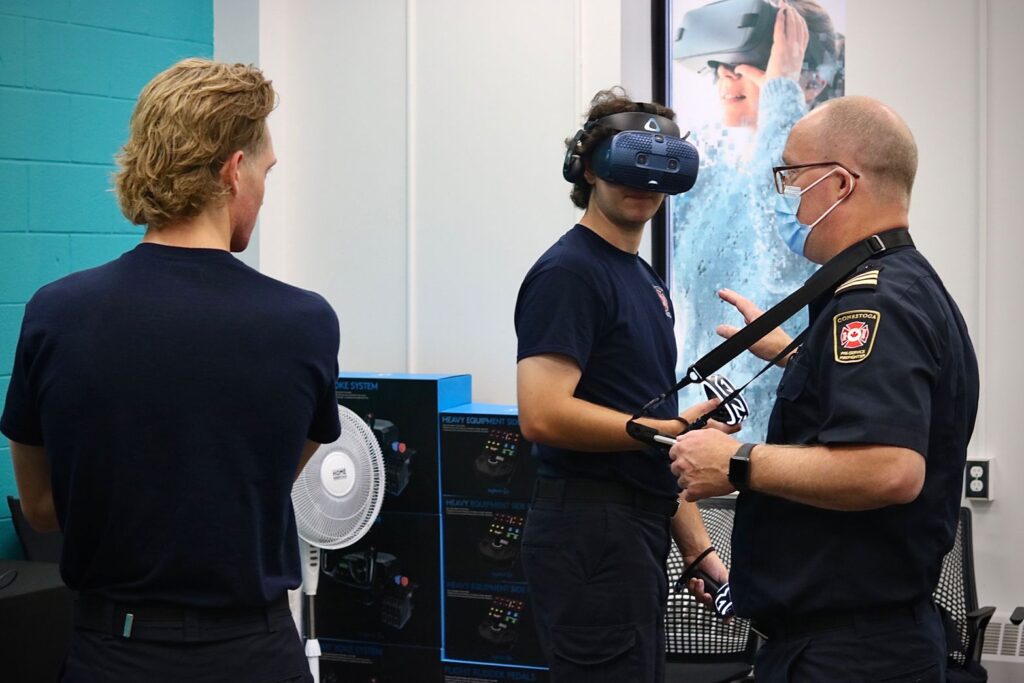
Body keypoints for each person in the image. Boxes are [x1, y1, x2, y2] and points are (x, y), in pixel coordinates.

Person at [1, 58, 340, 683]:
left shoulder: (56, 313)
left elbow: (43, 507)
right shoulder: (305, 323)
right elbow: (270, 478)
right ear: (235, 170)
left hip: (111, 654)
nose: (263, 191)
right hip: (255, 655)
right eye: (265, 171)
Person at [669, 96, 979, 681]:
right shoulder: (906, 285)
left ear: (839, 183)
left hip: (848, 655)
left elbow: (888, 468)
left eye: (791, 176)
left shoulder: (874, 302)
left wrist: (735, 463)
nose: (784, 194)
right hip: (854, 643)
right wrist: (796, 358)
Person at [515, 88, 731, 682]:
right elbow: (542, 414)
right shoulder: (569, 273)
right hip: (588, 530)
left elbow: (649, 434)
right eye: (628, 159)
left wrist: (698, 549)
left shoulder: (643, 279)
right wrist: (666, 430)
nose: (646, 179)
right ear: (588, 167)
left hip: (632, 525)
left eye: (664, 164)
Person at [671, 0, 842, 442]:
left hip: (768, 443)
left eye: (751, 65)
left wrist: (782, 85)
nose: (729, 76)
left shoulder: (818, 183)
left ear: (813, 80)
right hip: (691, 429)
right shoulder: (714, 176)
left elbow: (783, 249)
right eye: (720, 67)